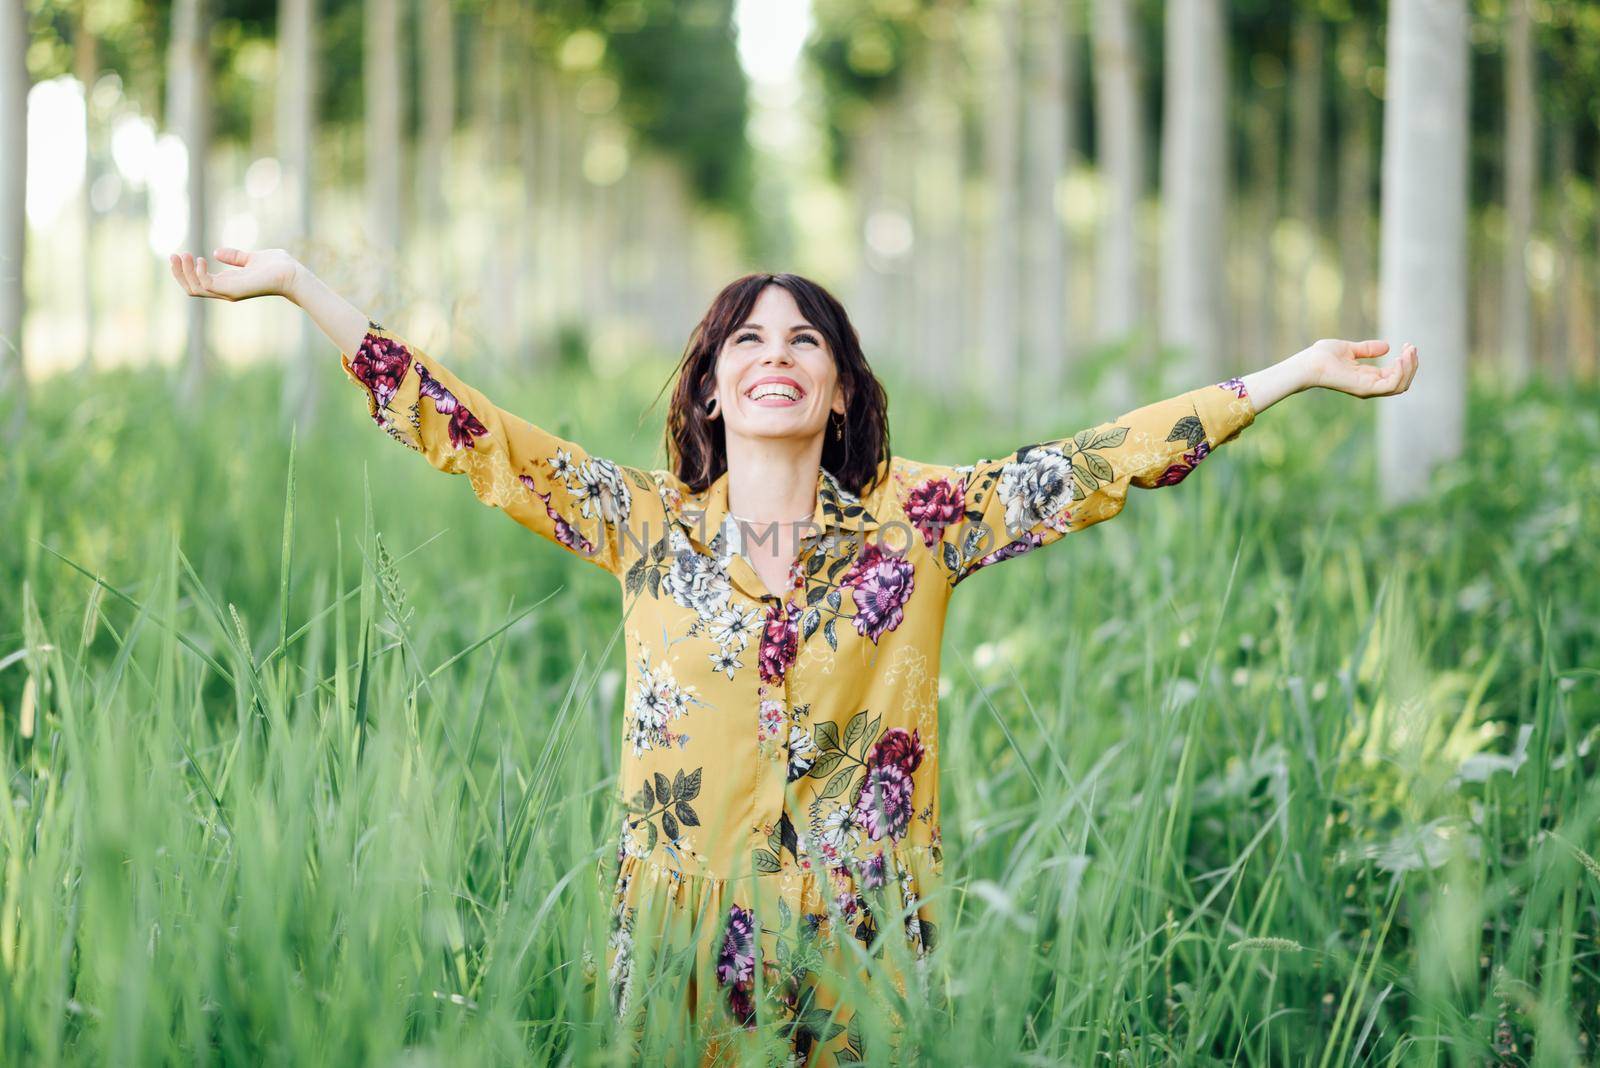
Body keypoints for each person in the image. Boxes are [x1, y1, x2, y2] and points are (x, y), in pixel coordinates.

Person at [168, 247, 1419, 1064]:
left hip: (864, 934)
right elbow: (465, 430)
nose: (776, 355)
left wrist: (1296, 373)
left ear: (838, 390)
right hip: (673, 941)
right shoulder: (639, 523)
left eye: (804, 342)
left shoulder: (923, 523)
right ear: (711, 389)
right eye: (747, 342)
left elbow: (1097, 463)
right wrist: (293, 286)